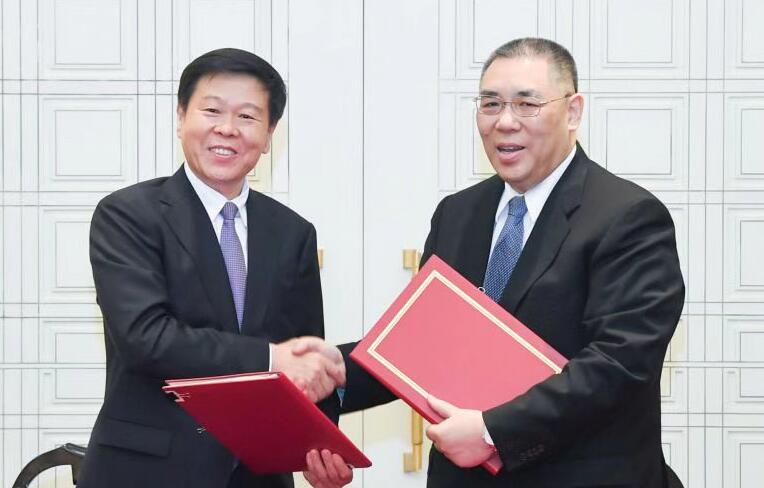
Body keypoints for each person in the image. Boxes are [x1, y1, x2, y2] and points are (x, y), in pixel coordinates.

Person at [299, 37, 685, 487]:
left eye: (527, 104)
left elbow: (619, 363)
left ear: (573, 111)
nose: (504, 122)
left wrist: (491, 431)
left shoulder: (627, 216)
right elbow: (427, 344)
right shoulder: (458, 214)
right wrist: (335, 375)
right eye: (491, 104)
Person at [78, 48, 345, 488]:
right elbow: (147, 338)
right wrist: (269, 358)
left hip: (257, 475)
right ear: (181, 117)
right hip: (147, 472)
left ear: (269, 133)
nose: (227, 128)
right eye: (212, 110)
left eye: (247, 116)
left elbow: (303, 355)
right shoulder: (127, 215)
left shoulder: (292, 232)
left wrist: (319, 445)